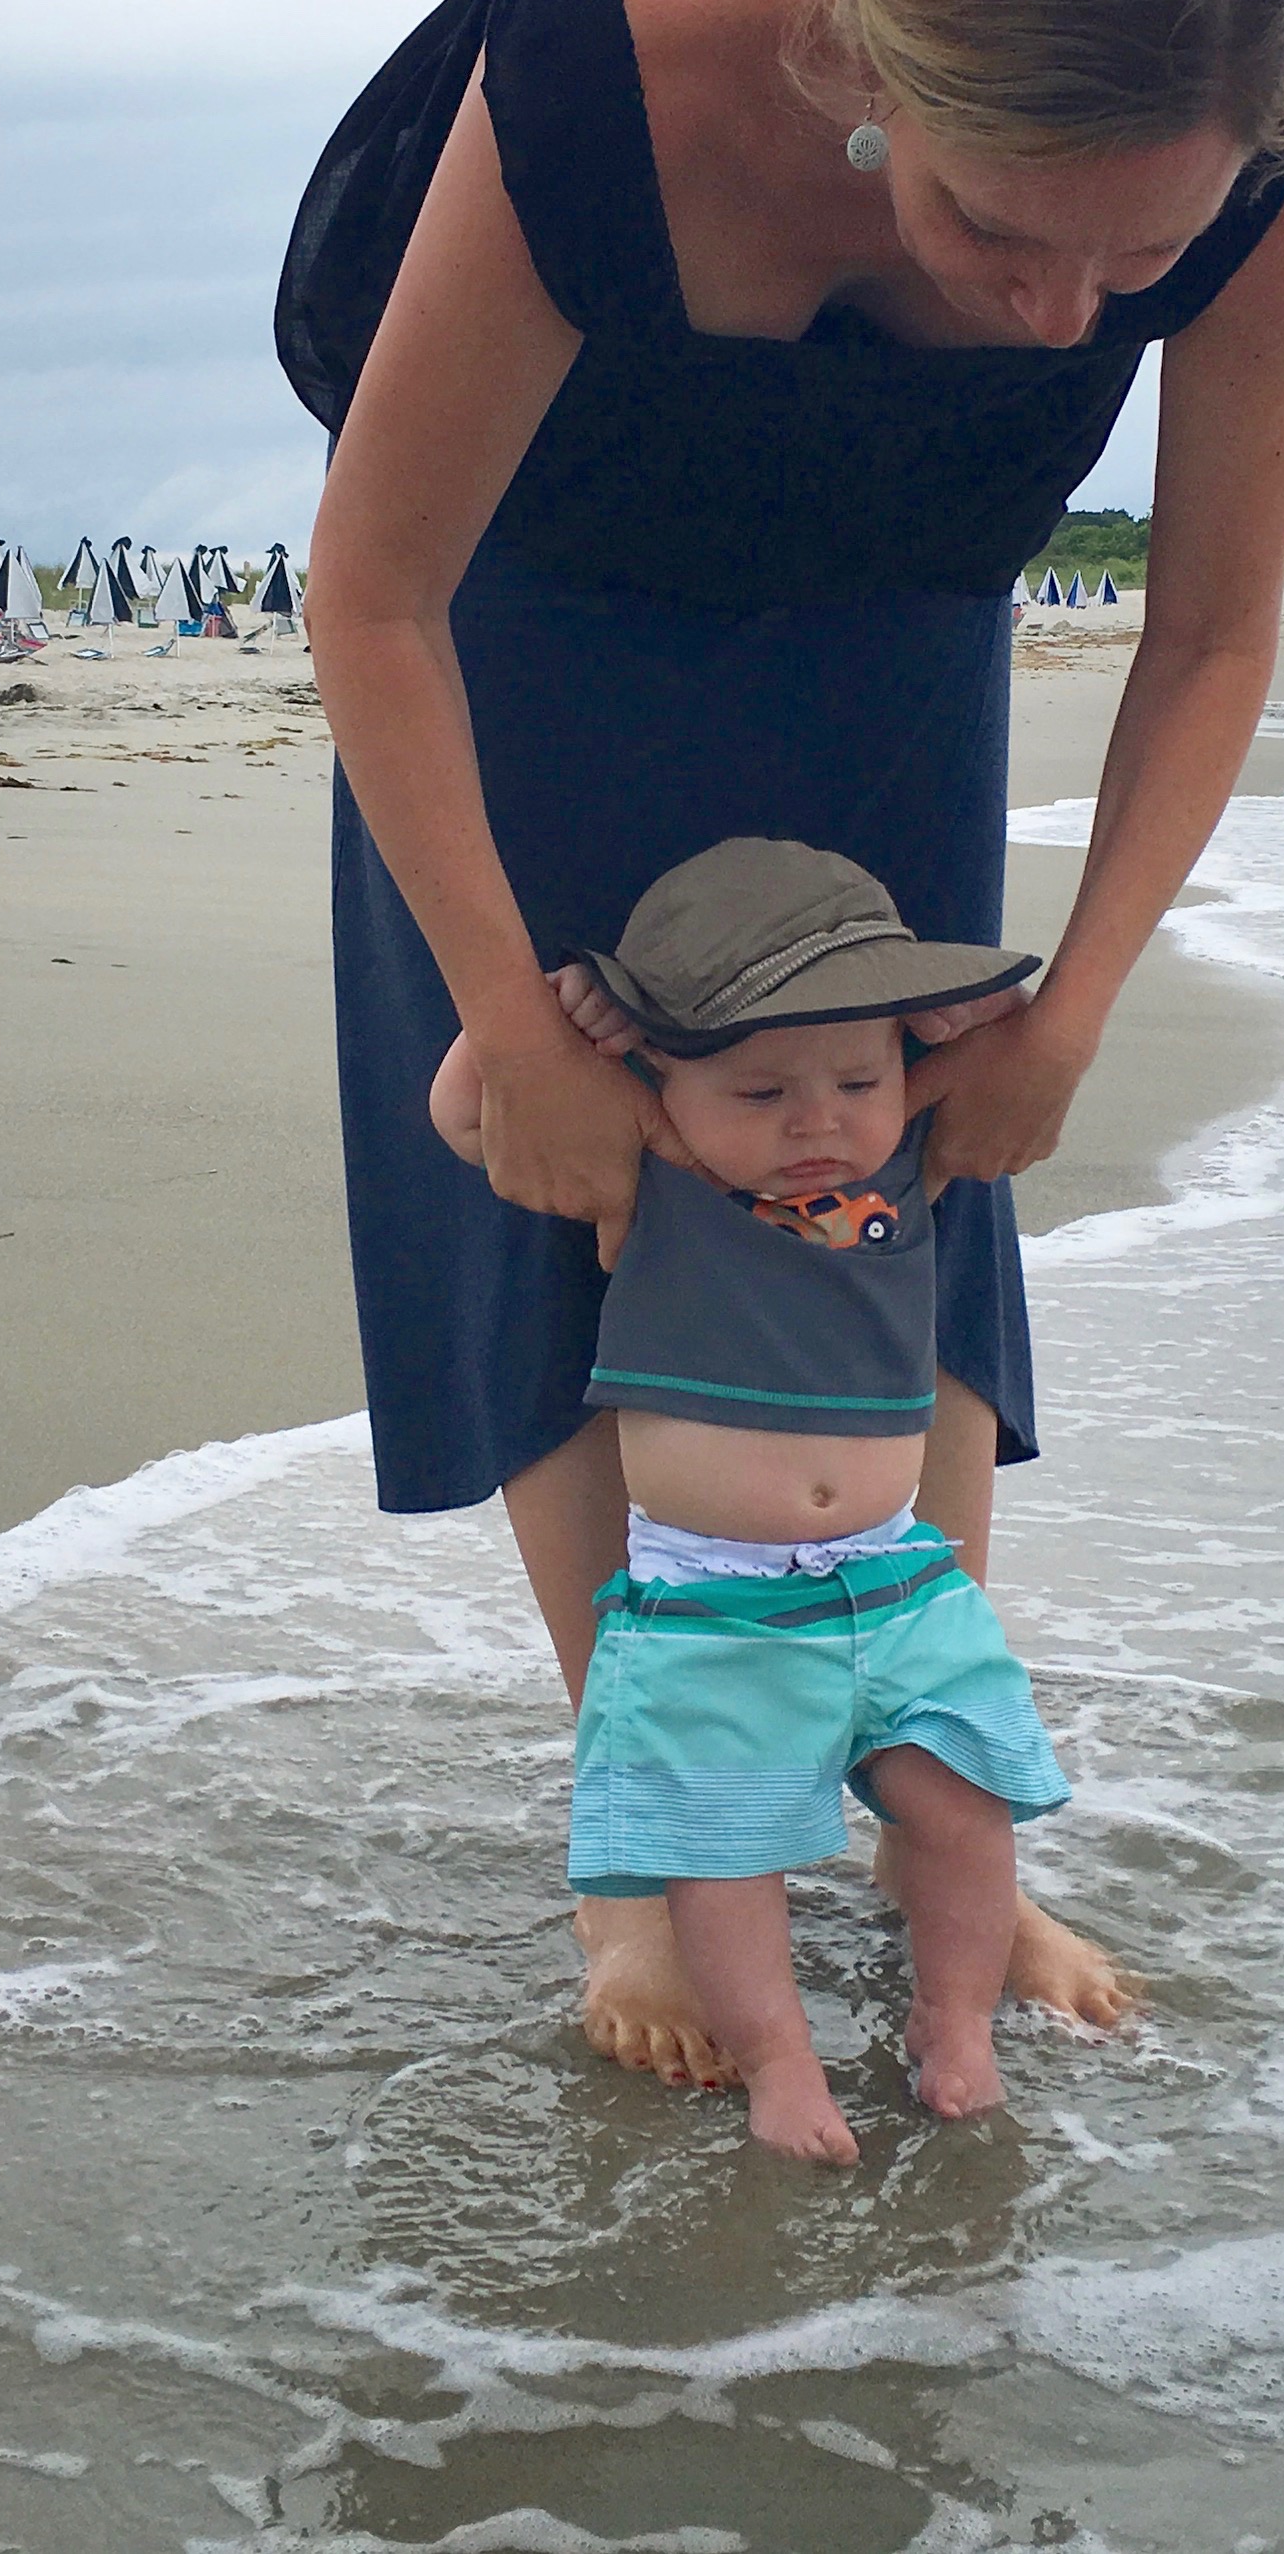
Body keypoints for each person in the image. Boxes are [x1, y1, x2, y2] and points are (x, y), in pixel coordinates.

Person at [288, 0, 1284, 2090]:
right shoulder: (623, 62)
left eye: (1132, 261)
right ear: (878, 71)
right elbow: (371, 591)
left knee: (902, 1151)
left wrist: (1070, 1008)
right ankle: (651, 1852)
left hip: (899, 601)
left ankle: (927, 1806)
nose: (1062, 318)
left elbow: (1214, 630)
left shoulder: (1281, 135)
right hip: (528, 589)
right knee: (574, 1180)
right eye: (998, 229)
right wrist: (511, 1019)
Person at [432, 838, 1072, 2161]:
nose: (816, 1122)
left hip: (902, 1582)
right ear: (664, 1076)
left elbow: (989, 1046)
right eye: (763, 1089)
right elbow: (470, 1114)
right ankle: (781, 2064)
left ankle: (955, 2018)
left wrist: (955, 1013)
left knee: (965, 1808)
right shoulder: (655, 1171)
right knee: (720, 1860)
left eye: (857, 1080)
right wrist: (548, 1018)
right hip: (710, 1607)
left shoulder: (905, 1168)